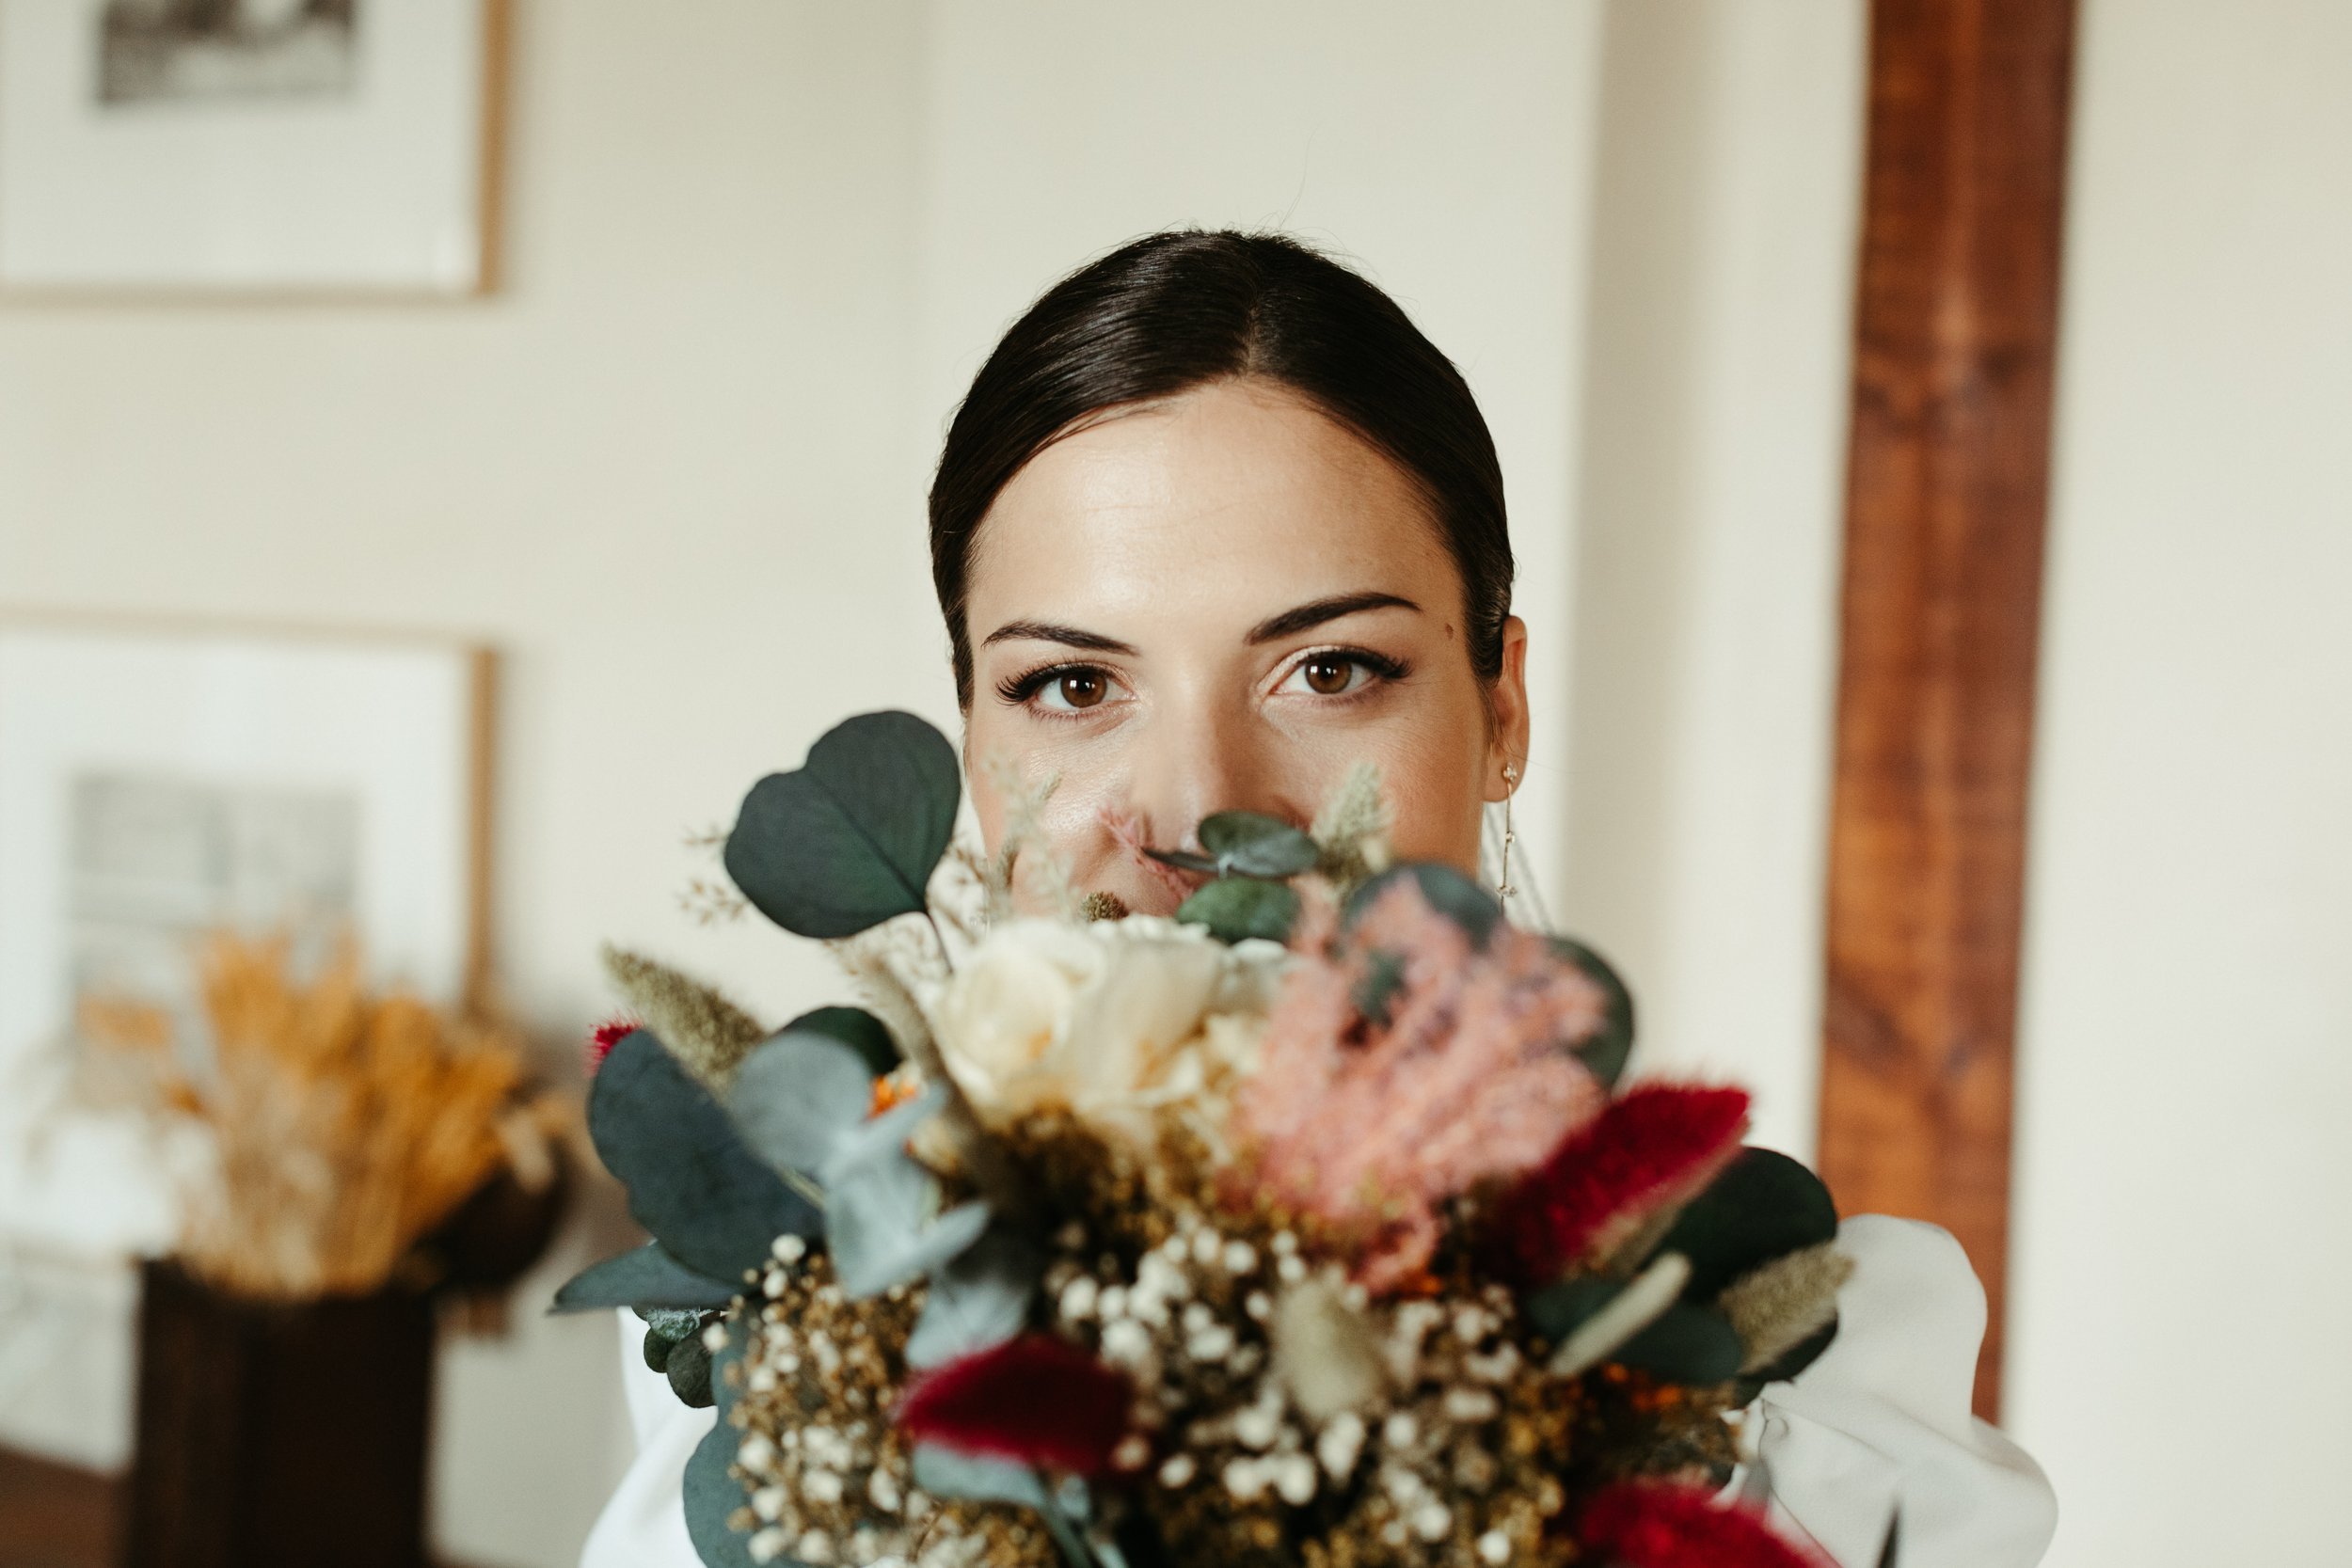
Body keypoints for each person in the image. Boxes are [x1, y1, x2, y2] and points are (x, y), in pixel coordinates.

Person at [580, 231, 2057, 1568]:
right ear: (970, 734)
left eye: (1330, 669)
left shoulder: (1815, 1409)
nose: (1194, 809)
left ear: (1502, 709)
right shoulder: (760, 1340)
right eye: (1074, 685)